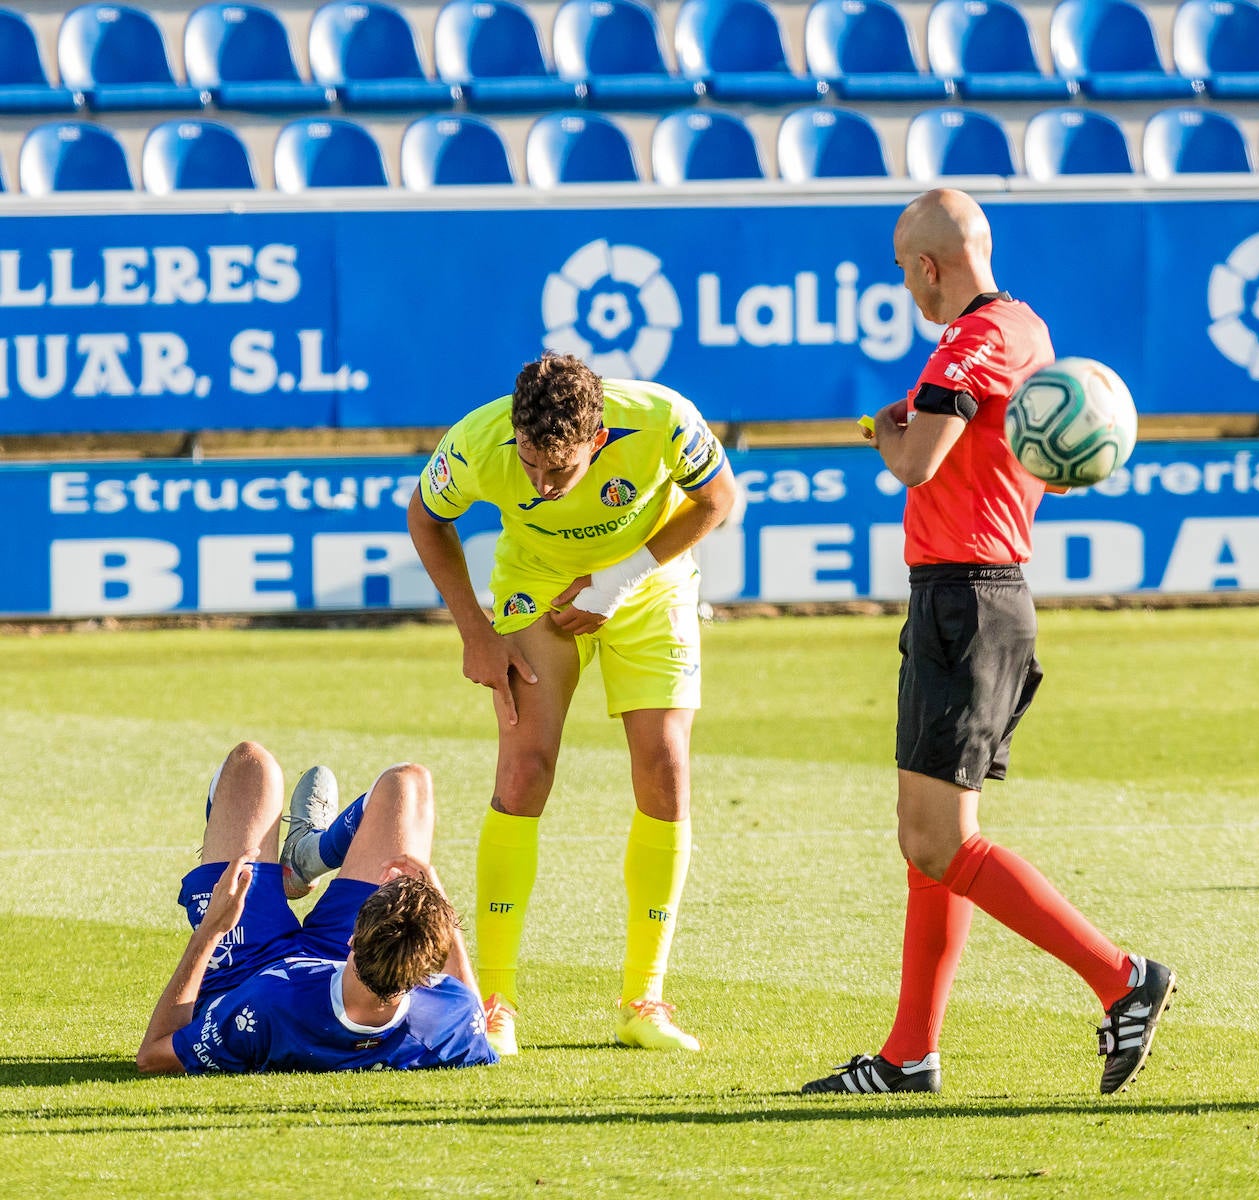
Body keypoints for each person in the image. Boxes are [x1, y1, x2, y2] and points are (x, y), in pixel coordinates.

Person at [802, 189, 1176, 1098]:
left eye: (903, 268)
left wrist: (879, 431)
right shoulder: (1023, 327)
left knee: (940, 841)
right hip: (979, 598)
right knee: (928, 841)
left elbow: (916, 458)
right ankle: (908, 1054)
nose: (905, 284)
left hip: (965, 605)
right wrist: (906, 422)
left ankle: (1121, 977)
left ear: (930, 266)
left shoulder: (968, 342)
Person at [407, 352, 737, 1056]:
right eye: (529, 464)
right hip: (535, 587)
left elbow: (717, 501)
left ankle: (642, 1000)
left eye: (559, 470)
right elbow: (426, 518)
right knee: (525, 770)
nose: (541, 484)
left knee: (666, 768)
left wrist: (621, 578)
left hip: (649, 586)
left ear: (598, 438)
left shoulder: (663, 419)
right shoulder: (475, 442)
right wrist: (476, 632)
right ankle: (494, 1002)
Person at [137, 741, 497, 1075]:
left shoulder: (263, 1007)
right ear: (427, 971)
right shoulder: (447, 1013)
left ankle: (306, 858)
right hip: (350, 972)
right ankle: (309, 853)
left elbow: (153, 1056)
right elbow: (472, 1019)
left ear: (354, 937)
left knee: (251, 765)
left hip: (248, 976)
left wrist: (210, 931)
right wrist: (435, 907)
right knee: (408, 785)